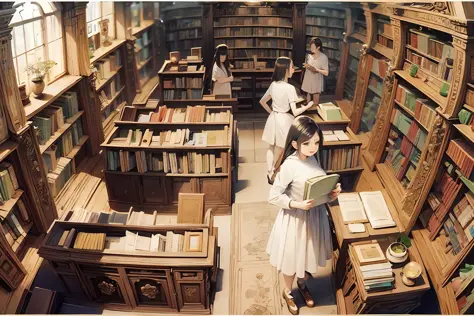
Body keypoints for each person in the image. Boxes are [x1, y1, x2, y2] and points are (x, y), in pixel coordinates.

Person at [266, 116, 342, 315]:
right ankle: (287, 291)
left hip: (314, 217)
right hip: (296, 219)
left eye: (316, 142)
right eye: (307, 143)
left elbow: (319, 191)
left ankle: (302, 284)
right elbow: (273, 197)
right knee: (292, 258)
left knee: (306, 253)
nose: (313, 147)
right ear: (294, 143)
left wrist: (331, 195)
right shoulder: (289, 165)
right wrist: (297, 204)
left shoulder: (312, 158)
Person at [260, 57, 314, 183]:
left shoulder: (273, 85)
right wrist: (307, 106)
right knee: (281, 148)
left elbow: (262, 101)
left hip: (273, 117)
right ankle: (277, 172)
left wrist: (272, 112)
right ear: (285, 70)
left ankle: (270, 171)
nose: (294, 69)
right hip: (284, 120)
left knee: (271, 147)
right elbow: (295, 112)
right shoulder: (289, 88)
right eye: (292, 67)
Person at [302, 37, 329, 106]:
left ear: (318, 47)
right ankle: (307, 105)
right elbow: (307, 64)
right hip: (308, 77)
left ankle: (315, 107)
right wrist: (306, 66)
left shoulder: (323, 57)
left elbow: (326, 72)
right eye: (310, 47)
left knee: (316, 93)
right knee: (308, 92)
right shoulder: (309, 56)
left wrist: (316, 69)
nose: (311, 49)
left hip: (317, 78)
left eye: (313, 47)